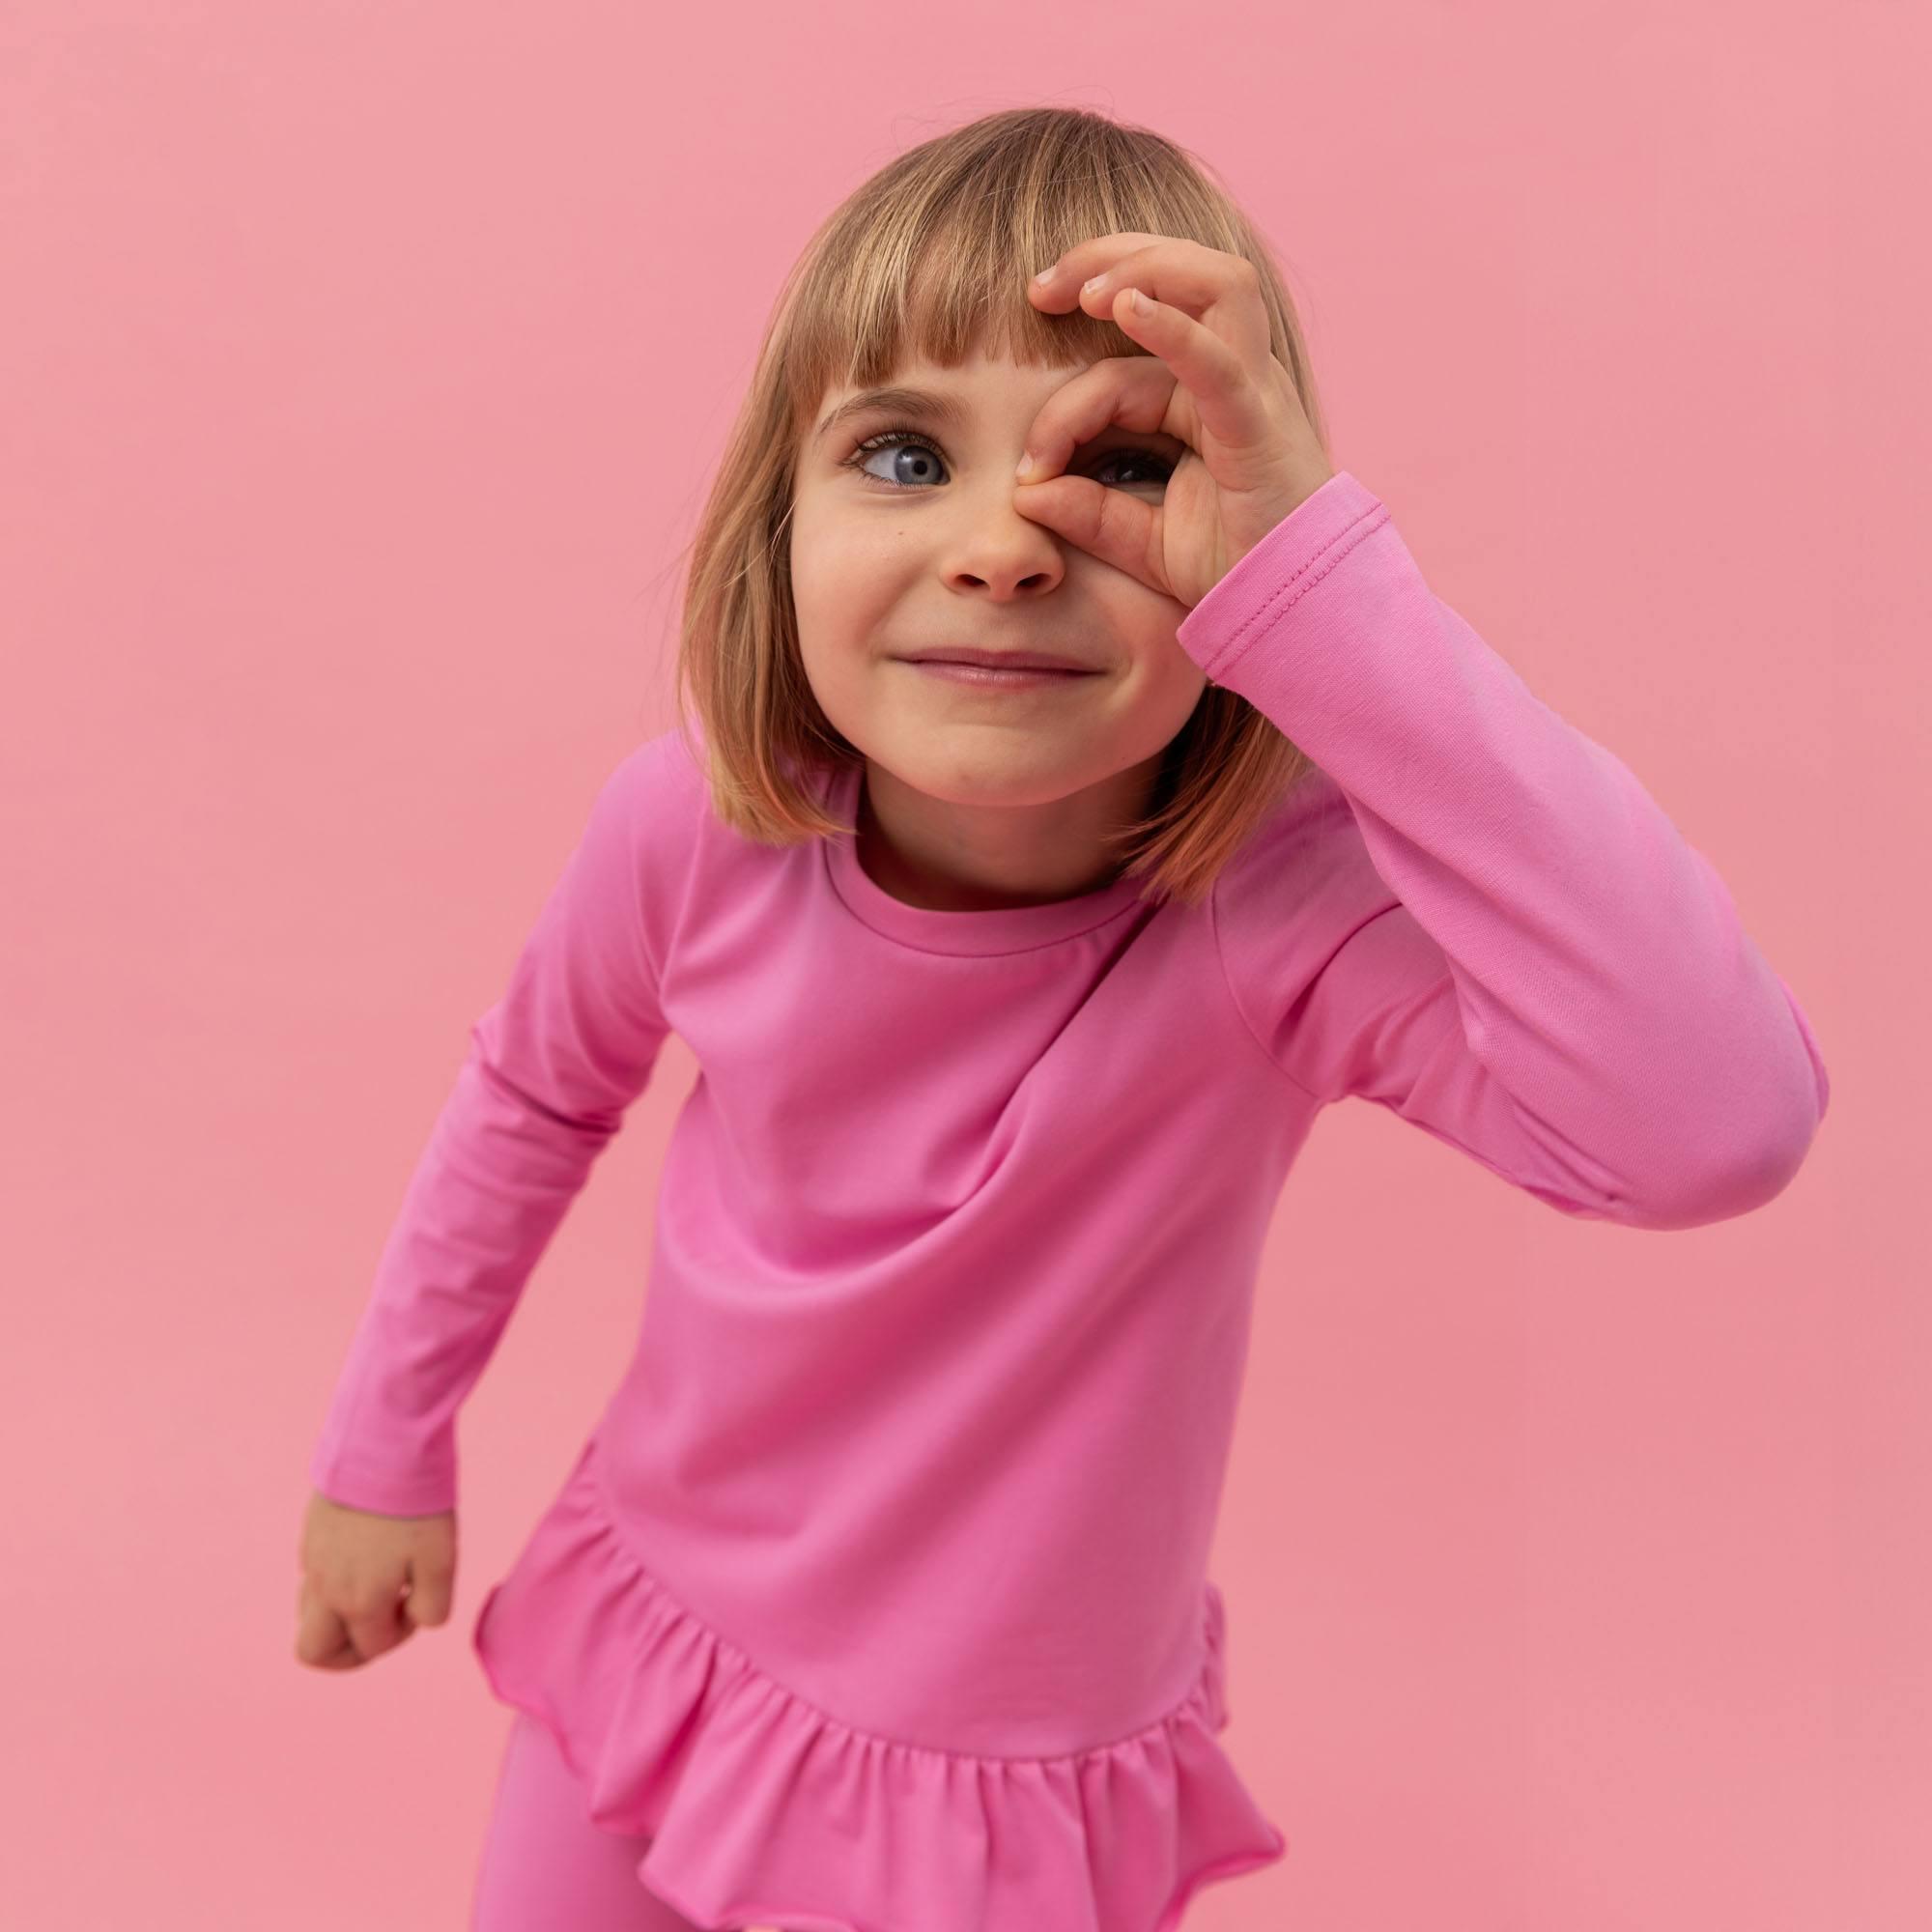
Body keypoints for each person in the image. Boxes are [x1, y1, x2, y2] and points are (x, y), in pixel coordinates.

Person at [293, 104, 1832, 1932]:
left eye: (1118, 472)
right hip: (658, 1627)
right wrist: (384, 1444)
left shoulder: (1284, 923)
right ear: (772, 528)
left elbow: (1717, 1125)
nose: (1007, 550)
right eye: (900, 455)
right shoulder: (694, 830)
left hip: (990, 1794)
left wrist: (1334, 600)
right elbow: (532, 1100)